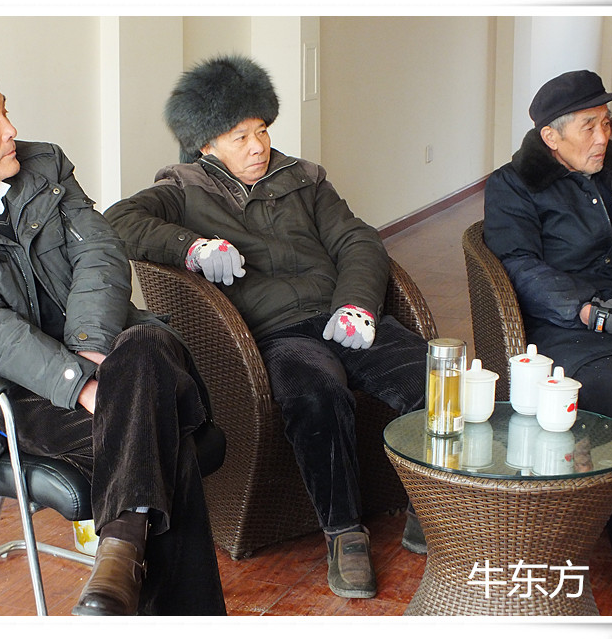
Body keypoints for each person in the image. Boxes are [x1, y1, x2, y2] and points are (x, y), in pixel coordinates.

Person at [0, 53, 227, 616]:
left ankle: (119, 554)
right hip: (11, 391)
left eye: (5, 111)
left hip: (115, 355)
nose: (11, 129)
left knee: (146, 347)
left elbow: (101, 252)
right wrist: (79, 383)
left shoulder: (45, 164)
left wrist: (92, 350)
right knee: (165, 436)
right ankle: (142, 567)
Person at [104, 55, 428, 599]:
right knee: (317, 396)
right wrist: (191, 247)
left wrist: (358, 305)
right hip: (278, 336)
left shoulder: (304, 179)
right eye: (240, 137)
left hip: (344, 315)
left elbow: (357, 240)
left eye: (262, 130)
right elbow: (117, 221)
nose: (258, 147)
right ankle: (344, 533)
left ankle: (432, 506)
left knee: (434, 379)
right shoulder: (183, 188)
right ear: (207, 145)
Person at [483, 69, 612, 603]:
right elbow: (518, 265)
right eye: (589, 127)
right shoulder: (513, 186)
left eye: (607, 123)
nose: (603, 137)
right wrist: (586, 310)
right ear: (551, 137)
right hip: (567, 330)